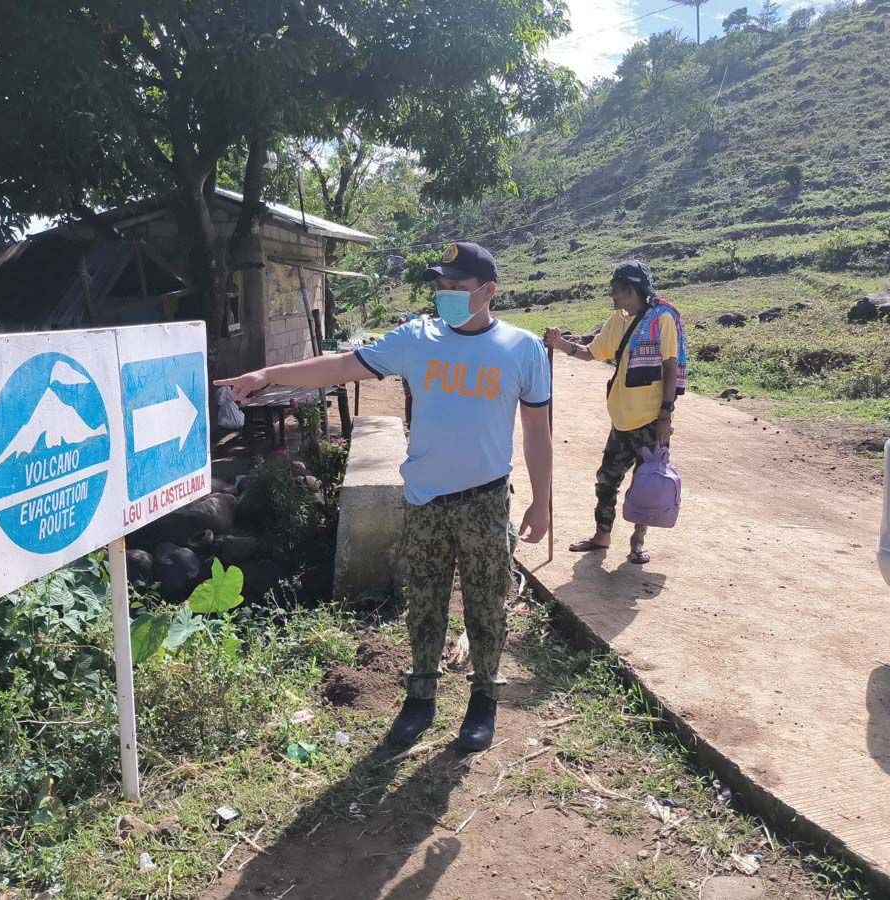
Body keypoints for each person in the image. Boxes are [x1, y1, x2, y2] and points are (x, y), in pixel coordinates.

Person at [215, 241, 552, 752]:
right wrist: (269, 374)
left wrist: (541, 500)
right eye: (441, 287)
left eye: (457, 288)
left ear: (488, 292)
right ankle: (420, 697)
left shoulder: (522, 349)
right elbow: (341, 366)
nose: (445, 296)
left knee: (487, 604)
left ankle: (483, 697)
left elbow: (536, 432)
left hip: (486, 501)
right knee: (425, 603)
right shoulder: (418, 339)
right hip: (425, 500)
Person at [544, 260, 686, 564]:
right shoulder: (617, 321)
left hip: (650, 421)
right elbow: (590, 353)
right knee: (607, 480)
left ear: (630, 290)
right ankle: (602, 535)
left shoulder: (662, 320)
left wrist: (665, 417)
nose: (613, 297)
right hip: (622, 421)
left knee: (646, 482)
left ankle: (637, 540)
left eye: (616, 291)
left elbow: (670, 367)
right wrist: (559, 344)